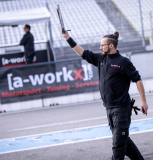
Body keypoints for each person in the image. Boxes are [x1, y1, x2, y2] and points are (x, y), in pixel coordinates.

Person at [61, 28, 148, 160]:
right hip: (109, 109)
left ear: (111, 46)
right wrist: (68, 38)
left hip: (122, 110)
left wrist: (143, 101)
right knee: (124, 142)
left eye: (102, 45)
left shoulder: (123, 62)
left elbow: (138, 80)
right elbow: (82, 52)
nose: (100, 47)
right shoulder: (101, 59)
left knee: (118, 147)